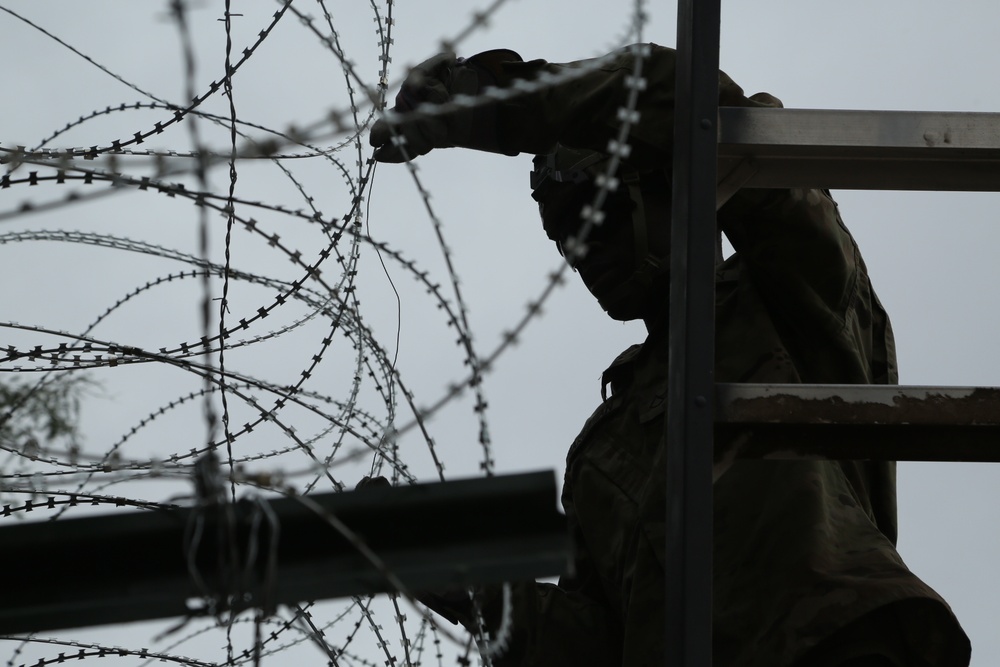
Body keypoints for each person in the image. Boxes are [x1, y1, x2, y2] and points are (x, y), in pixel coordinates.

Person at [369, 44, 971, 667]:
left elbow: (695, 106)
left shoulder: (788, 293)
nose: (583, 250)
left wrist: (498, 99)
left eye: (595, 213)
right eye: (564, 234)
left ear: (665, 191)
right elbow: (598, 644)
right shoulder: (604, 445)